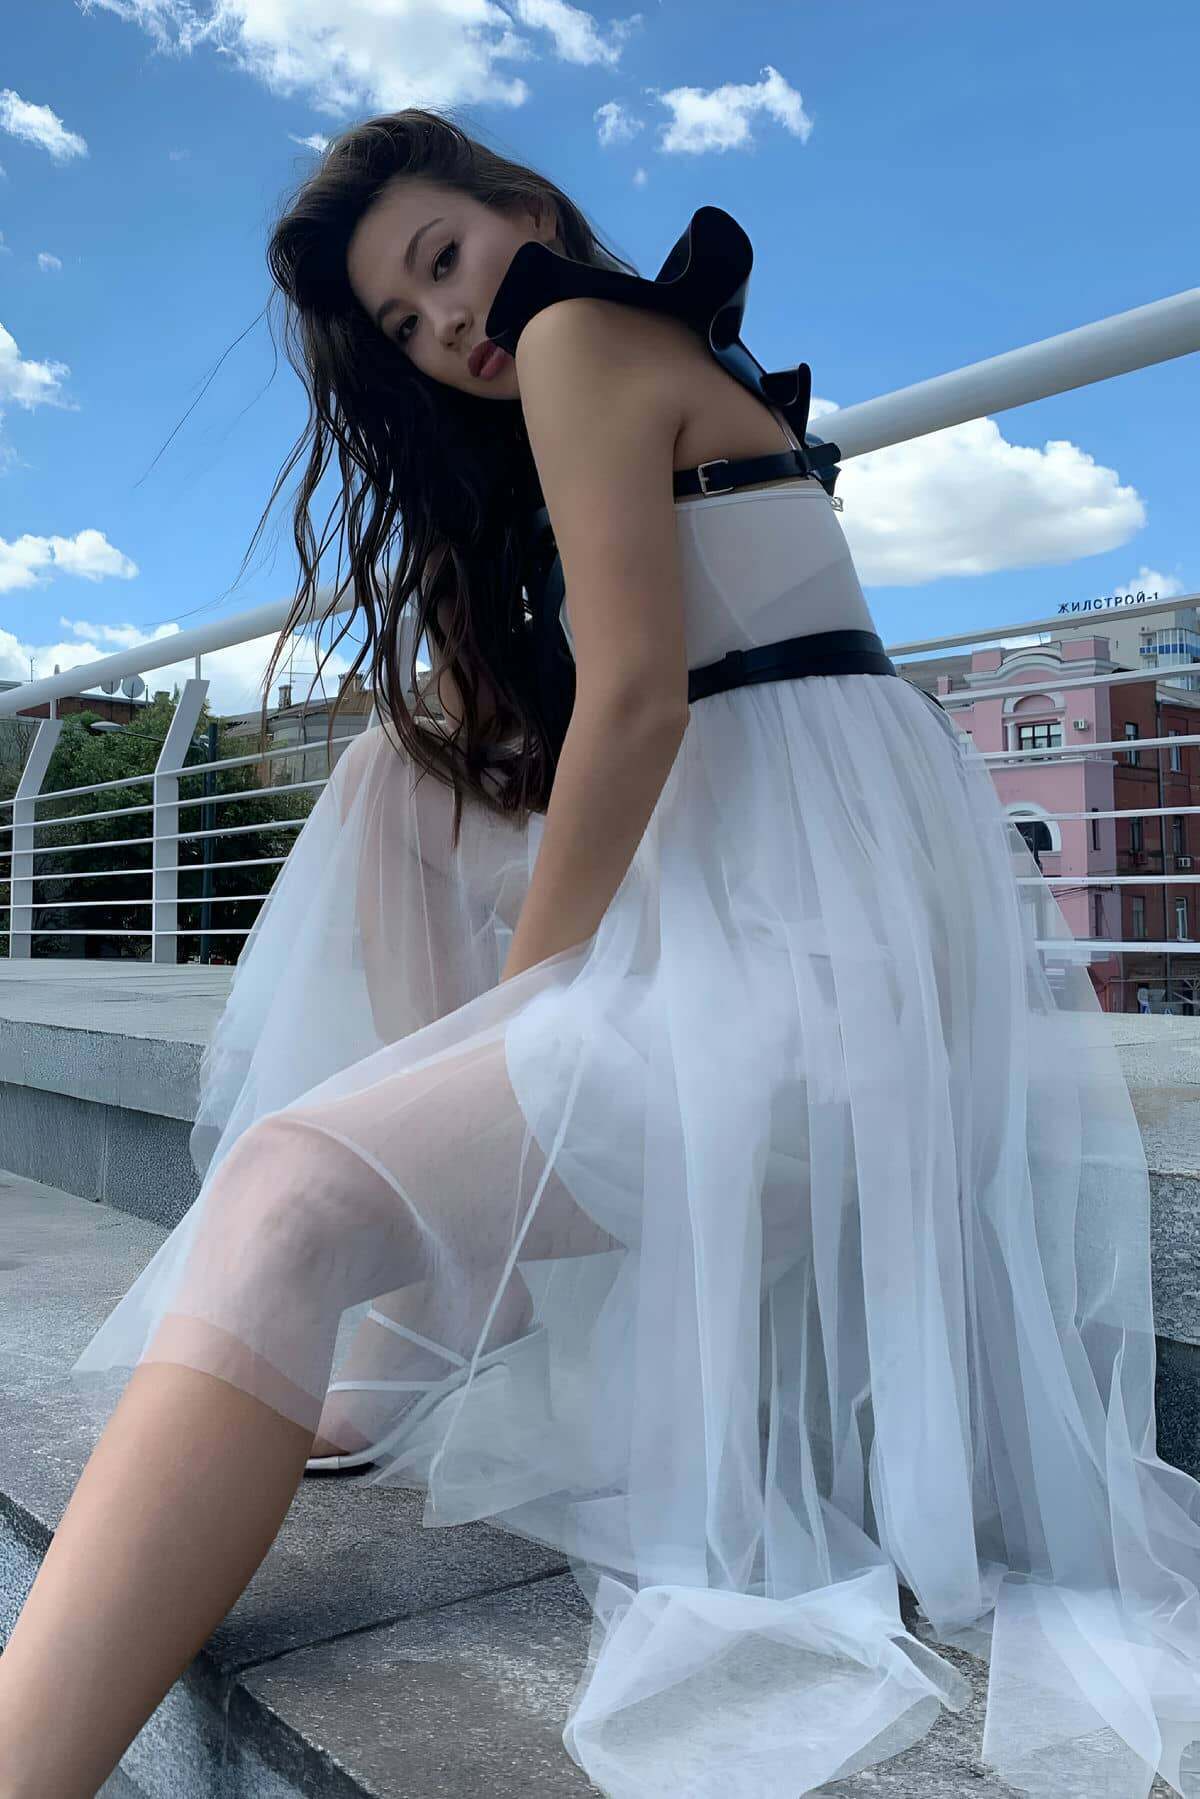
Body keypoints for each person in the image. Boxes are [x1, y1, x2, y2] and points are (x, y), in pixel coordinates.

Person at [2, 108, 1198, 1799]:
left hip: (809, 993)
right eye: (407, 325)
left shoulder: (572, 327)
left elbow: (638, 704)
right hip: (849, 959)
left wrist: (521, 1013)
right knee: (393, 772)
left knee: (285, 1186)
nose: (451, 327)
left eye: (445, 262)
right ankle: (447, 1290)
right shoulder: (643, 351)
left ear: (529, 210)